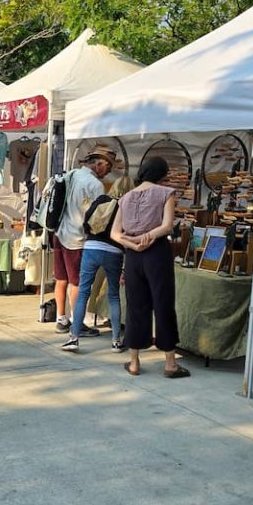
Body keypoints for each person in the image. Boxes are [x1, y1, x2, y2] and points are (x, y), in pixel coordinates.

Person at [111, 156, 190, 379]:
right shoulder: (166, 193)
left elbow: (115, 234)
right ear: (163, 174)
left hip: (133, 255)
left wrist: (132, 243)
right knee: (163, 304)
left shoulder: (125, 197)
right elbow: (166, 227)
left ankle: (134, 362)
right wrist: (148, 236)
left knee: (136, 306)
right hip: (157, 252)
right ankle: (170, 363)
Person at [61, 176, 134, 355]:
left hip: (92, 247)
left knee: (83, 292)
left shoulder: (102, 200)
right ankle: (116, 341)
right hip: (115, 252)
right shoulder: (128, 207)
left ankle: (73, 338)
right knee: (114, 296)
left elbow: (86, 222)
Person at [53, 145, 115, 335]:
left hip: (59, 232)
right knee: (77, 283)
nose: (108, 172)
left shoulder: (71, 174)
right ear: (99, 164)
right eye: (108, 167)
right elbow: (98, 216)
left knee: (61, 279)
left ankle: (61, 318)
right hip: (77, 237)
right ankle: (76, 323)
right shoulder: (95, 185)